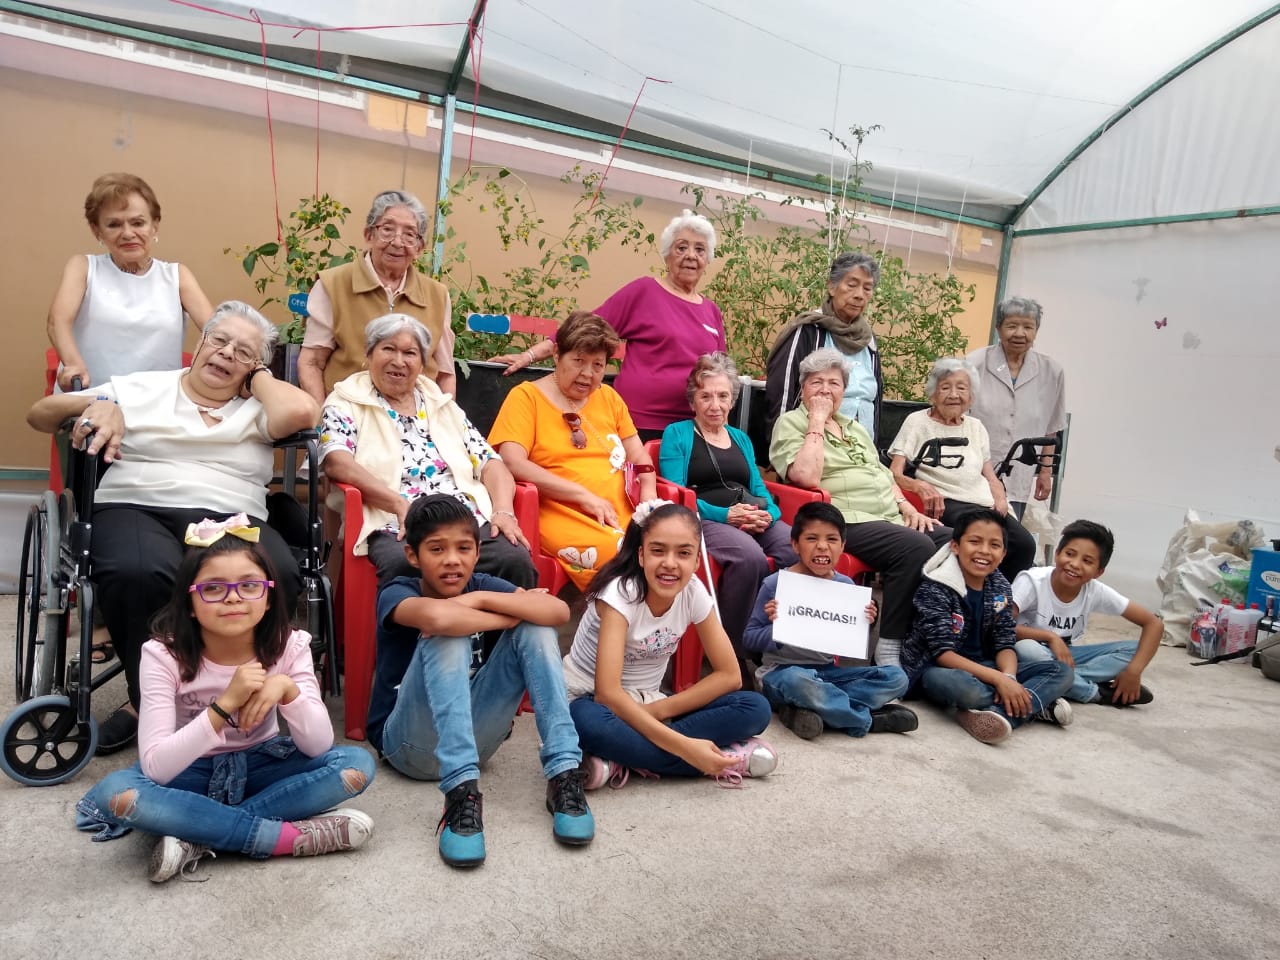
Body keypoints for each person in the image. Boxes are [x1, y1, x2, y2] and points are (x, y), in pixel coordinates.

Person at [27, 300, 320, 754]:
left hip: (232, 513)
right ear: (199, 343)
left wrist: (259, 378)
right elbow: (41, 414)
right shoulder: (142, 387)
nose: (226, 353)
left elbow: (304, 413)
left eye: (244, 351)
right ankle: (150, 703)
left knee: (273, 573)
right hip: (136, 503)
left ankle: (243, 692)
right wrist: (100, 404)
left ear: (255, 367)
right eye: (219, 340)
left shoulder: (259, 406)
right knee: (139, 571)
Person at [75, 528, 375, 883]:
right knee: (117, 792)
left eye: (249, 585)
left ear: (268, 598)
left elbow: (318, 746)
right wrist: (225, 704)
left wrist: (286, 688)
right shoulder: (162, 655)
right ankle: (278, 838)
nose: (233, 598)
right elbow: (156, 768)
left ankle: (196, 833)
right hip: (190, 772)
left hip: (263, 765)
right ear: (189, 602)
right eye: (214, 588)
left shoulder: (290, 646)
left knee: (356, 764)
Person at [370, 495, 594, 868]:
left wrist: (478, 599)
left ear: (477, 553)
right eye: (436, 549)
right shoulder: (398, 591)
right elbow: (439, 620)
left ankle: (564, 773)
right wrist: (510, 614)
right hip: (408, 745)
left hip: (478, 743)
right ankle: (460, 792)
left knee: (537, 628)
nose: (452, 560)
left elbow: (556, 611)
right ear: (413, 555)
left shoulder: (481, 584)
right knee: (449, 634)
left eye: (463, 549)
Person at [563, 500, 777, 788]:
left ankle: (620, 759)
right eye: (658, 551)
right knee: (586, 721)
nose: (670, 563)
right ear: (641, 555)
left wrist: (657, 712)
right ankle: (714, 758)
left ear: (697, 561)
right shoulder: (620, 593)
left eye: (684, 553)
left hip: (651, 703)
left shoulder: (693, 592)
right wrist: (686, 747)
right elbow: (608, 695)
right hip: (594, 701)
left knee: (755, 707)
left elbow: (730, 676)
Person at [769, 347, 951, 670]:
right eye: (817, 383)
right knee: (915, 547)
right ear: (802, 388)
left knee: (952, 540)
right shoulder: (791, 423)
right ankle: (890, 647)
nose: (826, 390)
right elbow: (805, 476)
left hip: (887, 516)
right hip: (842, 519)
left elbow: (881, 473)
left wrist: (906, 507)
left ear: (844, 390)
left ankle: (928, 638)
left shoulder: (854, 428)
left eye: (834, 384)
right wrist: (817, 421)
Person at [320, 314, 534, 588]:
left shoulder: (441, 404)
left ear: (422, 363)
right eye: (388, 349)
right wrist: (398, 504)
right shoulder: (344, 402)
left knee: (513, 558)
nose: (399, 361)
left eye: (410, 353)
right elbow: (337, 462)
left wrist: (503, 511)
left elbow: (490, 462)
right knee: (403, 562)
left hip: (462, 519)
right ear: (369, 354)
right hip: (392, 521)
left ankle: (499, 618)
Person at [490, 211, 725, 441]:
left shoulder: (711, 311)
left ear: (707, 259)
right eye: (681, 248)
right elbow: (583, 329)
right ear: (667, 255)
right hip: (637, 423)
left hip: (691, 428)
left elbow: (720, 372)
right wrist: (529, 355)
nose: (691, 255)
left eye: (699, 249)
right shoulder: (644, 291)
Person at [489, 311, 657, 591]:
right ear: (557, 354)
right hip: (559, 510)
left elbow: (639, 457)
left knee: (670, 544)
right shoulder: (526, 397)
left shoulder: (609, 397)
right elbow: (512, 460)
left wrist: (649, 499)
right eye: (578, 361)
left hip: (619, 511)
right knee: (624, 553)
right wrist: (582, 496)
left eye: (598, 365)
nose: (588, 374)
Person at [658, 352, 797, 653]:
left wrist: (769, 515)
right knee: (749, 558)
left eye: (722, 396)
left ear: (732, 400)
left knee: (794, 547)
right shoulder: (677, 434)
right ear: (692, 401)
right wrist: (726, 515)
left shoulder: (740, 438)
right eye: (705, 396)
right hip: (704, 518)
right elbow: (677, 495)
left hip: (750, 513)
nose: (715, 405)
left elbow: (758, 487)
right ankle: (735, 648)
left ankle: (782, 639)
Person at [743, 501, 917, 739]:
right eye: (812, 538)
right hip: (781, 673)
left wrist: (866, 623)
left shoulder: (845, 586)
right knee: (798, 682)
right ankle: (867, 720)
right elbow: (750, 638)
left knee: (897, 678)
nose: (822, 547)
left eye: (832, 539)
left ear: (843, 546)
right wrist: (777, 628)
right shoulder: (777, 584)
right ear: (795, 544)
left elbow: (847, 641)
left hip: (828, 674)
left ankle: (805, 710)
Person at [900, 509, 1074, 745]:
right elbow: (943, 654)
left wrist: (1008, 677)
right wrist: (999, 680)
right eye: (974, 541)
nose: (984, 551)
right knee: (964, 688)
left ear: (1003, 554)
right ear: (955, 546)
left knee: (1061, 672)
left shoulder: (1000, 587)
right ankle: (1034, 703)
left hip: (986, 666)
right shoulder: (937, 586)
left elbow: (1005, 642)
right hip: (938, 670)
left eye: (994, 545)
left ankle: (998, 714)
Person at [48, 172, 213, 391]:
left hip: (158, 402)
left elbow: (216, 331)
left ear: (154, 225)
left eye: (138, 223)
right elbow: (57, 321)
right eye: (114, 225)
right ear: (97, 230)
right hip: (91, 398)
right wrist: (73, 364)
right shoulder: (83, 268)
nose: (127, 233)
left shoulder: (177, 275)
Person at [298, 190, 456, 406]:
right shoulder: (333, 284)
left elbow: (446, 374)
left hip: (417, 418)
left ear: (419, 247)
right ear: (369, 235)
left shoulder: (437, 295)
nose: (397, 242)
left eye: (409, 234)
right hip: (350, 414)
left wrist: (445, 420)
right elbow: (312, 363)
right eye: (387, 230)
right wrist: (323, 419)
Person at [888, 357, 1036, 581]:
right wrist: (919, 485)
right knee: (979, 539)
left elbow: (990, 476)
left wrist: (1000, 498)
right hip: (946, 502)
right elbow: (894, 473)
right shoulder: (916, 422)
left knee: (1024, 544)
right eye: (945, 387)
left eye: (961, 388)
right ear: (933, 394)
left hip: (983, 502)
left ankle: (998, 596)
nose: (953, 394)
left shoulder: (976, 427)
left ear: (971, 396)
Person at [1013, 520, 1160, 706]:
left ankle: (1059, 680)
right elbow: (1000, 626)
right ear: (1057, 554)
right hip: (1028, 653)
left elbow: (1154, 624)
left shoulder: (1094, 590)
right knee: (1027, 648)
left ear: (1099, 571)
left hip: (1066, 656)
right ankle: (1095, 693)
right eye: (1069, 554)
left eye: (1087, 561)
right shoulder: (1032, 581)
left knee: (1136, 650)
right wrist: (1050, 637)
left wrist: (1134, 671)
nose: (1075, 564)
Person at [765, 251, 885, 443]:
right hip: (813, 444)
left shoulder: (868, 340)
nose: (859, 295)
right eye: (852, 285)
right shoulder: (808, 331)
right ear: (832, 286)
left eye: (867, 288)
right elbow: (782, 391)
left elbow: (875, 401)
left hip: (861, 448)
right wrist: (782, 445)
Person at [967, 296, 1066, 517]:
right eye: (1012, 326)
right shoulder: (974, 363)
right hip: (974, 473)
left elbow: (1052, 428)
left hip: (1020, 473)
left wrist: (1045, 472)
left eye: (1028, 327)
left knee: (1010, 530)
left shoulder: (1052, 371)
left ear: (1036, 330)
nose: (1020, 333)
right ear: (998, 328)